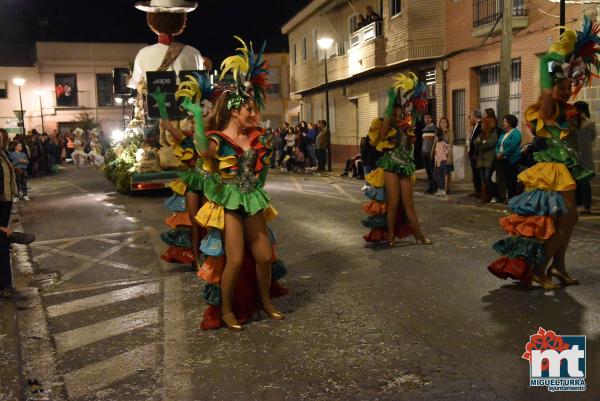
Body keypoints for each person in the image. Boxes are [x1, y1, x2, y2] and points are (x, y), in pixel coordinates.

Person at [487, 18, 597, 289]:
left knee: (570, 218)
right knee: (563, 219)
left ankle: (558, 266)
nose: (568, 88)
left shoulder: (568, 111)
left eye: (570, 84)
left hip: (564, 169)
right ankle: (539, 269)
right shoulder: (547, 108)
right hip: (553, 171)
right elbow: (547, 90)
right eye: (562, 85)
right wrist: (550, 62)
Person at [190, 37, 288, 330]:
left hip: (251, 198)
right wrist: (197, 116)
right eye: (250, 110)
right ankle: (227, 310)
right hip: (231, 201)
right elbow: (203, 151)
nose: (255, 115)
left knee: (264, 255)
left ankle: (265, 301)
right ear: (235, 110)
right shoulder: (220, 140)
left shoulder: (257, 138)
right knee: (234, 260)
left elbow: (262, 171)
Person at [362, 72, 432, 245]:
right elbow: (383, 131)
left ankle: (419, 235)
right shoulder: (387, 127)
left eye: (400, 115)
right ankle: (391, 235)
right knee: (393, 202)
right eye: (394, 115)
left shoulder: (408, 126)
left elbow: (416, 111)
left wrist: (416, 94)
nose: (398, 118)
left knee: (409, 204)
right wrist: (393, 98)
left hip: (406, 166)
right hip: (390, 165)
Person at [128, 0, 206, 90]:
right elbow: (201, 82)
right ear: (182, 21)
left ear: (151, 21)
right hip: (187, 103)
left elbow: (135, 83)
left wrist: (128, 80)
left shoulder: (143, 53)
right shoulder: (194, 53)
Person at [573, 101, 596, 214]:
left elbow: (593, 137)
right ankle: (576, 204)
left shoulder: (589, 122)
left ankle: (587, 206)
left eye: (575, 109)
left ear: (580, 110)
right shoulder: (571, 122)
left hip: (585, 156)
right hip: (573, 155)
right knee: (574, 182)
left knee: (585, 183)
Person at [495, 114, 522, 202]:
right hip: (503, 159)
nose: (503, 123)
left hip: (512, 160)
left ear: (510, 122)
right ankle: (506, 197)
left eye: (504, 121)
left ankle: (512, 198)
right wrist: (497, 153)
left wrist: (502, 153)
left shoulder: (516, 133)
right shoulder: (504, 133)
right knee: (505, 179)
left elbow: (512, 146)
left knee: (512, 180)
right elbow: (498, 145)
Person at [475, 113, 498, 203]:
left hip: (489, 159)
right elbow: (475, 142)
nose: (482, 126)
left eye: (484, 124)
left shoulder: (493, 134)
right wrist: (482, 141)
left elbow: (490, 144)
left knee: (487, 178)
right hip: (481, 160)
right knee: (483, 180)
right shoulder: (482, 134)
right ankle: (485, 197)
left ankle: (495, 195)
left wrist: (482, 143)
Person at [432, 120, 451, 196]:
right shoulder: (438, 142)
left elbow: (448, 148)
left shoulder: (442, 142)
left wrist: (444, 155)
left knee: (438, 175)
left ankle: (442, 189)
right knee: (436, 175)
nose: (435, 136)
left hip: (442, 161)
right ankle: (440, 189)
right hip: (438, 161)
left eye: (436, 135)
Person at [467, 110, 483, 198]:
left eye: (471, 116)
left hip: (476, 155)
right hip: (473, 154)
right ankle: (477, 190)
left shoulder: (480, 126)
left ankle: (479, 191)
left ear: (475, 116)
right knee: (475, 173)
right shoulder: (475, 126)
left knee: (477, 174)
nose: (469, 118)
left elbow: (477, 141)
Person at [421, 113, 437, 194]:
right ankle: (430, 187)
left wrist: (433, 152)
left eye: (428, 118)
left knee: (432, 171)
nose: (427, 119)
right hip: (424, 153)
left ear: (431, 119)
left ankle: (434, 187)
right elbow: (423, 142)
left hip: (431, 154)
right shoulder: (423, 129)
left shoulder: (435, 128)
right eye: (425, 118)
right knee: (428, 172)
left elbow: (436, 142)